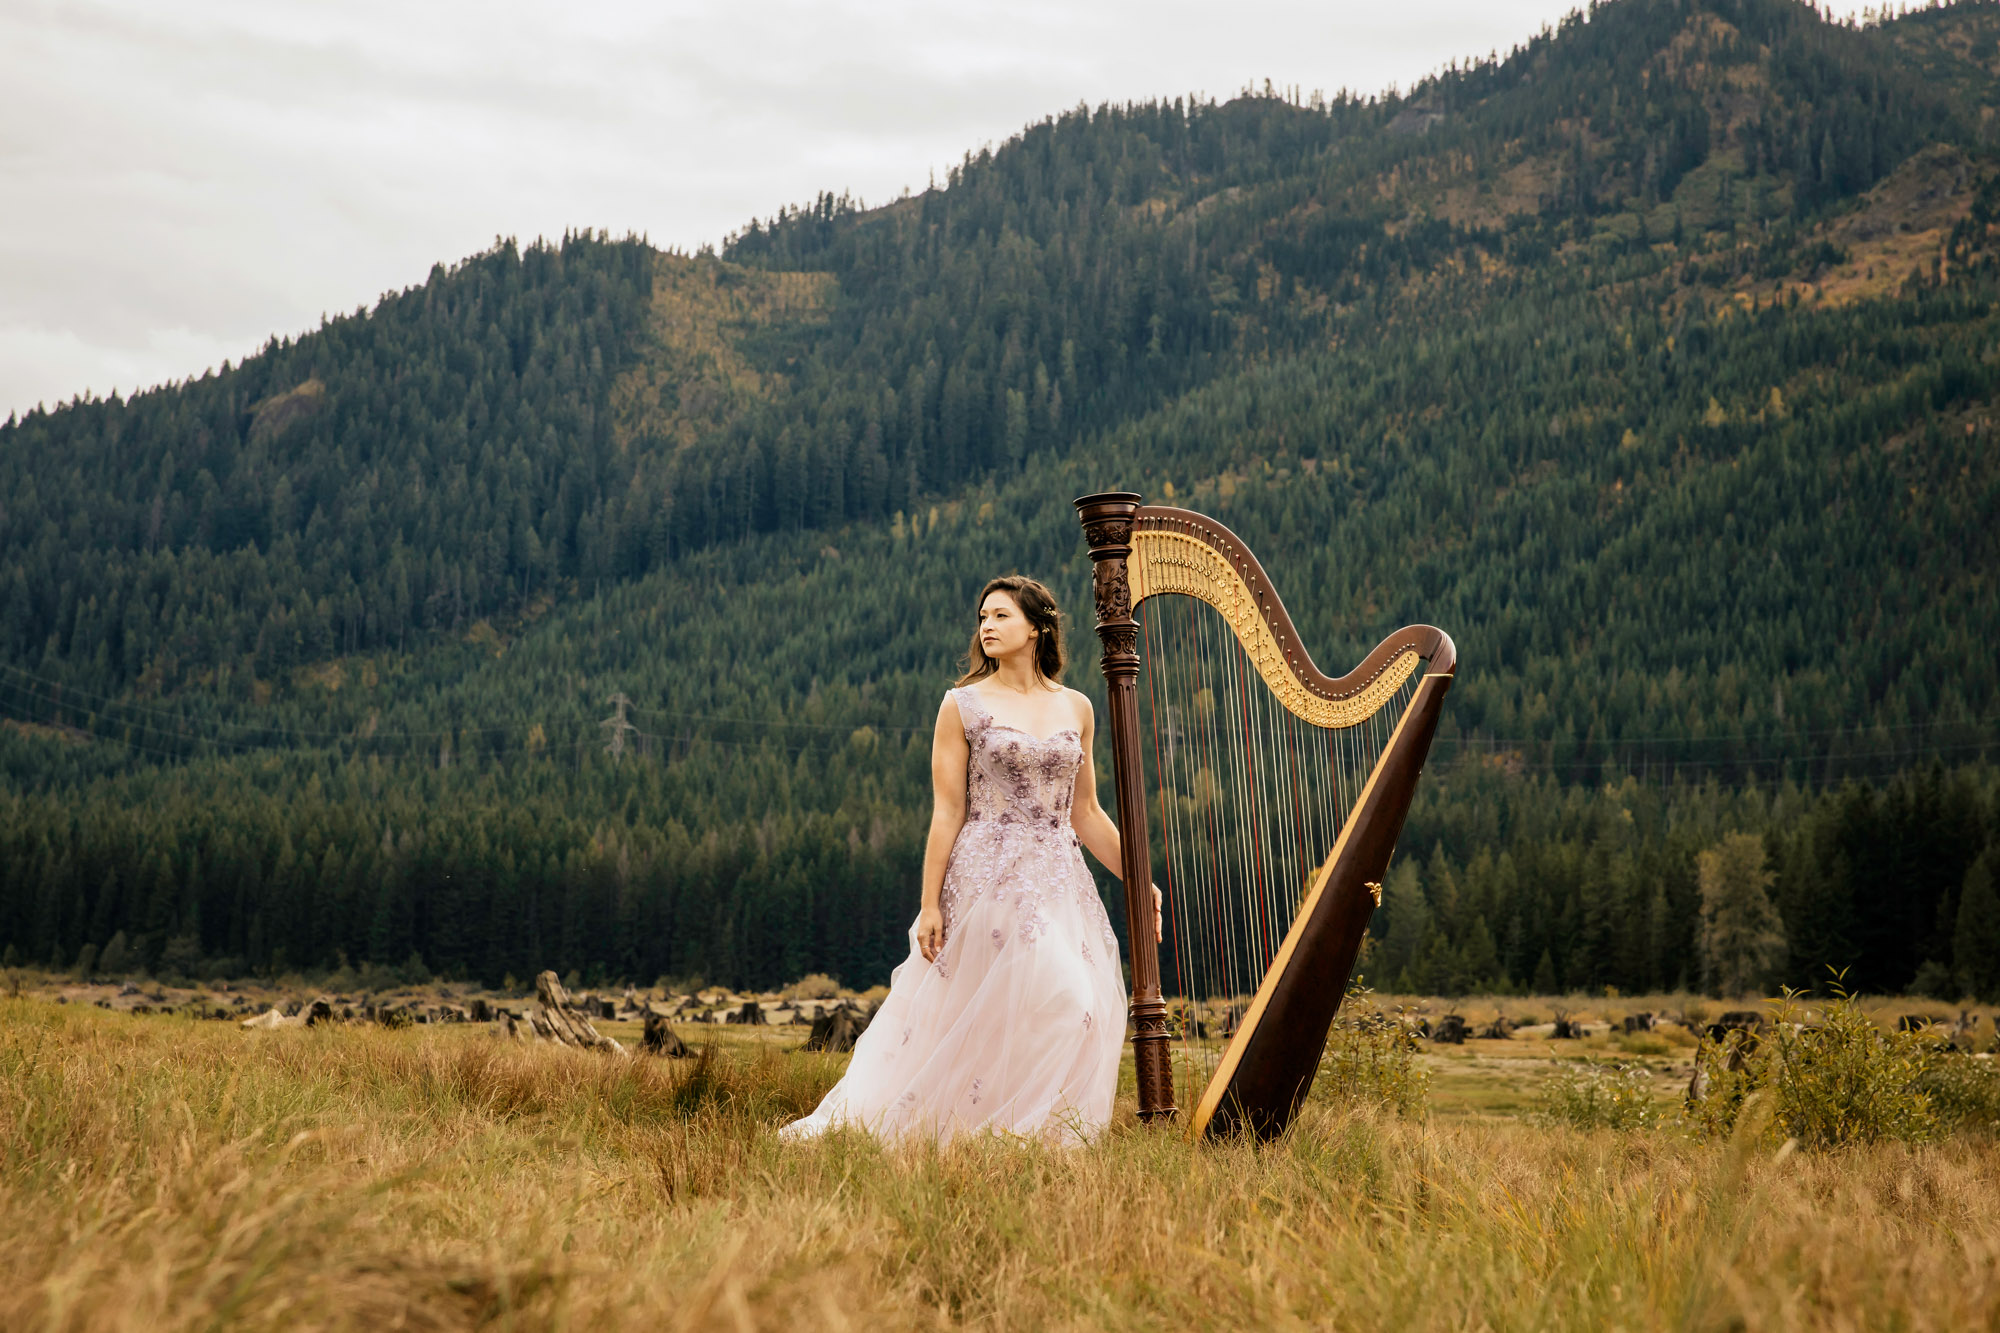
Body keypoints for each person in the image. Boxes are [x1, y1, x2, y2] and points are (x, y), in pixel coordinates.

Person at [780, 574, 1156, 1145]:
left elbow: (1086, 813)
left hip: (1060, 879)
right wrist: (928, 904)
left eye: (1001, 615)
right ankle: (1014, 1137)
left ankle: (1016, 1140)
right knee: (1061, 1001)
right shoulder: (963, 705)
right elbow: (947, 812)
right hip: (989, 876)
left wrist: (1138, 879)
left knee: (1072, 1010)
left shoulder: (1076, 707)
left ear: (1037, 628)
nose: (986, 625)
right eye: (983, 616)